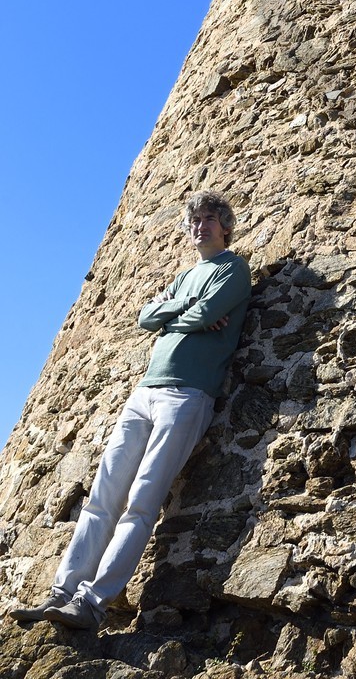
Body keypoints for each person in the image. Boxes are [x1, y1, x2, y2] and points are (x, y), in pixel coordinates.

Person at [10, 190, 252, 633]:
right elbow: (146, 317)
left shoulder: (233, 269)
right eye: (194, 219)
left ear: (225, 226)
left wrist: (174, 318)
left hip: (188, 394)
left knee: (142, 500)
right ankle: (63, 593)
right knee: (103, 496)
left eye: (209, 219)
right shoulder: (186, 276)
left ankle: (92, 603)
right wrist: (181, 311)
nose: (200, 226)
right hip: (144, 392)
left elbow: (208, 314)